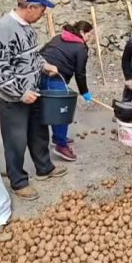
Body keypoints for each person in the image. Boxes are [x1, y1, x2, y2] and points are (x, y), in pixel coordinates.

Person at [0, 0, 66, 201]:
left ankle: (44, 167)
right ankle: (18, 181)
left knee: (39, 131)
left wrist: (44, 65)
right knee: (16, 140)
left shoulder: (28, 28)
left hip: (34, 90)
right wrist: (20, 93)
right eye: (42, 9)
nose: (44, 13)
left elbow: (31, 55)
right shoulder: (4, 30)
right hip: (13, 98)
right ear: (30, 7)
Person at [39, 21, 95, 161]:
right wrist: (84, 92)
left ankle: (58, 137)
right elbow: (80, 73)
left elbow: (41, 53)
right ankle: (61, 145)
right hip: (54, 78)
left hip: (39, 75)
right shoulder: (81, 48)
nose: (90, 38)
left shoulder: (59, 37)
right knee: (62, 110)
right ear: (81, 33)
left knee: (55, 108)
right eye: (89, 35)